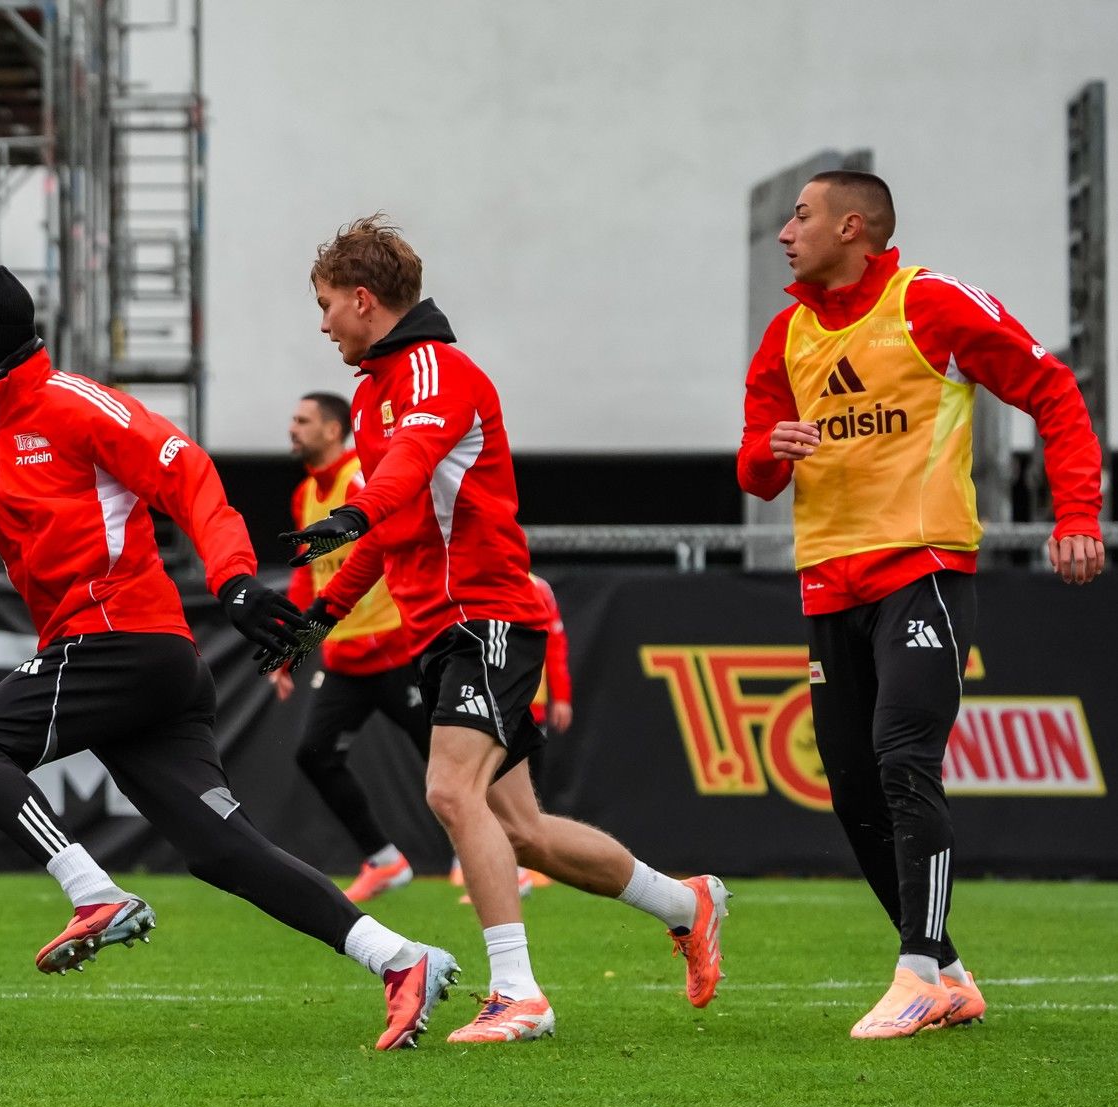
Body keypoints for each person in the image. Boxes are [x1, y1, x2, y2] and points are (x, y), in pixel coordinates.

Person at [0, 263, 461, 1050]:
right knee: (222, 849)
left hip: (119, 641)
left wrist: (231, 582)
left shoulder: (73, 404)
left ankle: (94, 893)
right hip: (137, 665)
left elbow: (190, 474)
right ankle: (402, 958)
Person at [281, 216, 729, 1044]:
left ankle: (518, 992)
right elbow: (392, 526)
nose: (321, 323)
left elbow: (403, 480)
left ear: (363, 299)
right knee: (520, 828)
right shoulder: (381, 389)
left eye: (325, 304)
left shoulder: (435, 373)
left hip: (487, 614)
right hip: (446, 626)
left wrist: (352, 510)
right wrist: (319, 616)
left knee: (451, 791)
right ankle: (686, 900)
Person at [738, 170, 1106, 1039]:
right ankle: (948, 974)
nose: (785, 233)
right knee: (853, 787)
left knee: (904, 756)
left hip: (925, 568)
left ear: (852, 226)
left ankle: (915, 967)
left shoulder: (929, 302)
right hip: (828, 578)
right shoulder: (786, 335)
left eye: (801, 216)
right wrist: (770, 449)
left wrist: (1079, 512)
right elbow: (755, 470)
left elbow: (1051, 389)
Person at [267, 390, 428, 903]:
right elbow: (308, 580)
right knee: (313, 756)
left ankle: (511, 858)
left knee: (451, 767)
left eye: (302, 420)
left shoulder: (363, 477)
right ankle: (384, 860)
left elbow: (395, 544)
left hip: (399, 653)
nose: (291, 428)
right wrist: (291, 647)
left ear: (334, 430)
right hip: (345, 661)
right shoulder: (305, 495)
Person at [451, 570, 570, 903]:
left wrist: (560, 695)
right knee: (480, 787)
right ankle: (496, 868)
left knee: (505, 791)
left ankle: (513, 870)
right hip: (490, 698)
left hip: (525, 700)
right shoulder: (471, 581)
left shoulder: (535, 587)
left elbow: (554, 642)